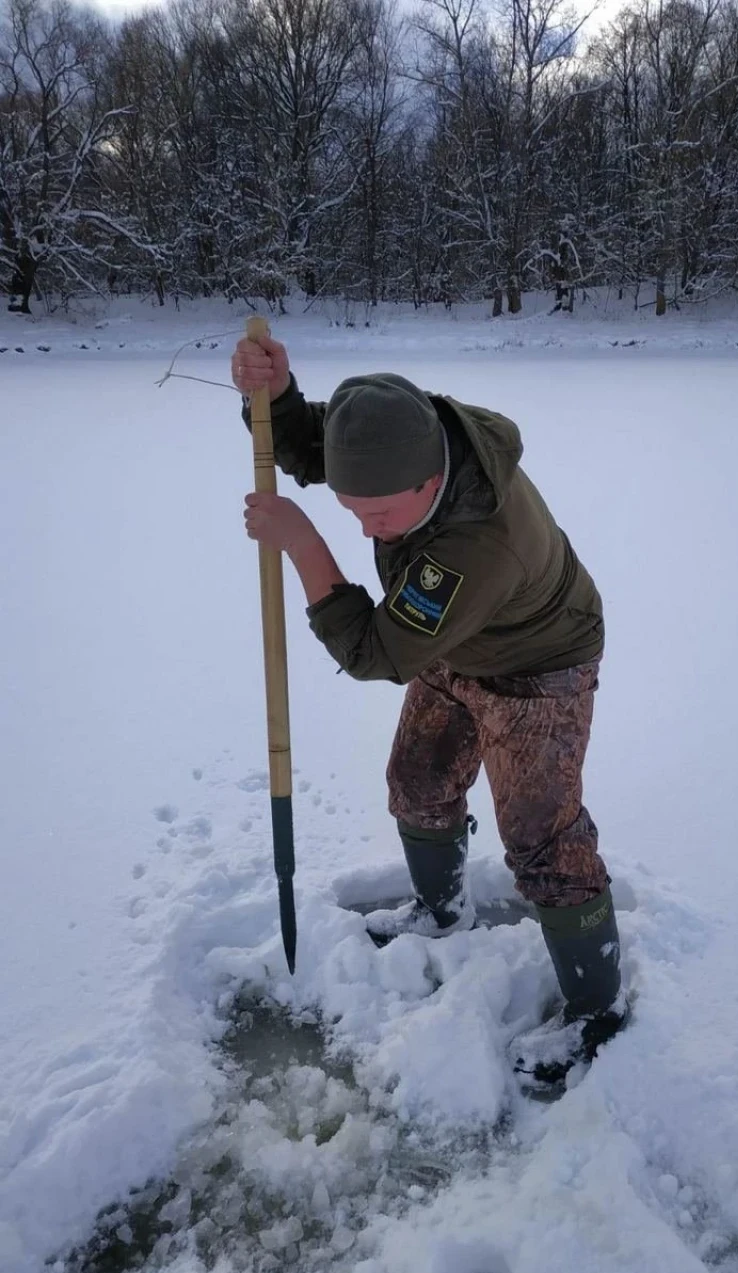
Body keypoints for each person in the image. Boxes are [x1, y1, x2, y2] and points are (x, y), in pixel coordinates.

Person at [231, 333, 626, 1087]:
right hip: (457, 640)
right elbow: (322, 445)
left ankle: (598, 1013)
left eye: (379, 514)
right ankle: (442, 911)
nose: (364, 526)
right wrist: (277, 395)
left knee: (544, 841)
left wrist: (304, 542)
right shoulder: (408, 433)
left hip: (539, 665)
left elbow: (377, 652)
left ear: (432, 478)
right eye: (351, 510)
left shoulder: (477, 545)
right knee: (418, 781)